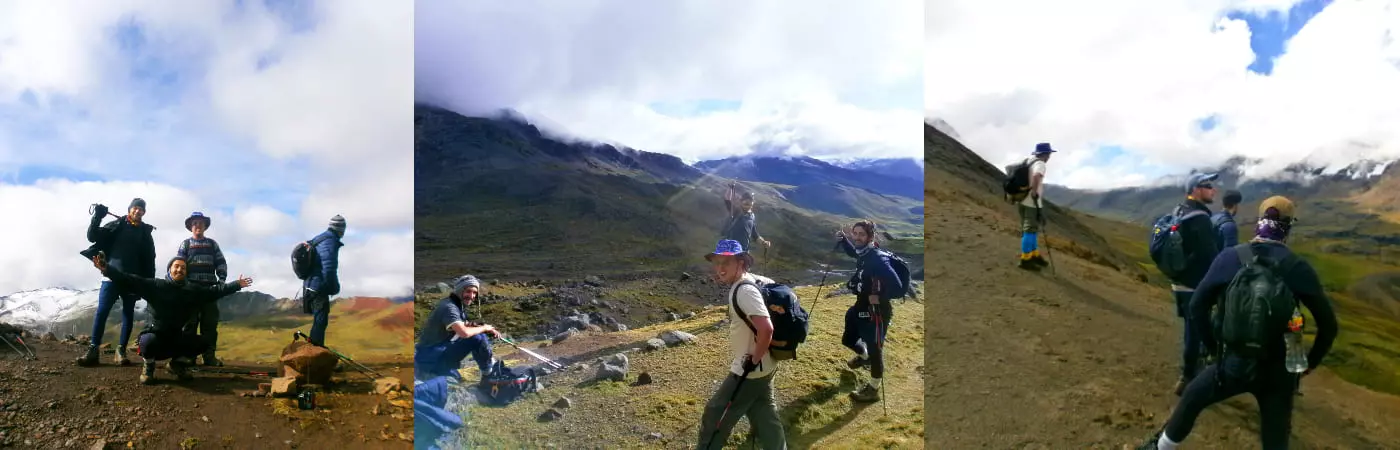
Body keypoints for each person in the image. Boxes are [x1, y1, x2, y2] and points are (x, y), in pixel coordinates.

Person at [1139, 196, 1338, 450]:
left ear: (1259, 220)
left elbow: (1197, 306)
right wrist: (1309, 364)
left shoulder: (1232, 257)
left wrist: (1213, 349)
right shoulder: (1297, 267)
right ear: (1289, 225)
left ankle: (1161, 447)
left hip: (1232, 363)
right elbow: (1329, 325)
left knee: (1193, 398)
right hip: (1278, 372)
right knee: (1275, 435)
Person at [91, 253, 252, 384]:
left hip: (175, 340)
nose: (180, 270)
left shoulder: (192, 291)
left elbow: (215, 291)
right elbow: (129, 279)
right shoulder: (155, 286)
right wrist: (107, 269)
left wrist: (237, 284)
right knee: (146, 342)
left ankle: (176, 365)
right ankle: (149, 366)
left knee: (204, 342)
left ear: (186, 272)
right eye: (176, 266)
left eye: (183, 268)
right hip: (155, 339)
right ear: (169, 270)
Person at [696, 240, 785, 450]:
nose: (720, 268)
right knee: (764, 412)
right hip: (767, 364)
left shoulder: (744, 291)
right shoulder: (753, 281)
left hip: (750, 368)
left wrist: (752, 360)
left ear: (741, 262)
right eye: (717, 262)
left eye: (726, 262)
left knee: (716, 412)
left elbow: (767, 329)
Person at [77, 198, 156, 367]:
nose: (138, 211)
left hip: (132, 279)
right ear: (130, 210)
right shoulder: (117, 224)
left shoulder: (145, 233)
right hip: (110, 275)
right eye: (135, 208)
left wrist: (149, 283)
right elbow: (92, 236)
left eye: (141, 209)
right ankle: (93, 350)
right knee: (102, 311)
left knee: (128, 314)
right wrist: (97, 217)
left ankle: (120, 351)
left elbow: (150, 259)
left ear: (144, 213)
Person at [836, 220, 903, 402]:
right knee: (848, 339)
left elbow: (897, 287)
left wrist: (880, 297)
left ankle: (873, 389)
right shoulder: (864, 253)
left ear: (870, 237)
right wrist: (844, 241)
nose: (857, 237)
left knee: (875, 349)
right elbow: (854, 252)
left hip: (877, 311)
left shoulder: (877, 258)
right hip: (860, 306)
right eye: (855, 233)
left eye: (861, 235)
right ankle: (863, 357)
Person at [1170, 173, 1224, 395]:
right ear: (1196, 189)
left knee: (1192, 327)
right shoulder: (1200, 218)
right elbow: (1210, 255)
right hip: (1195, 284)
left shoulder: (1179, 211)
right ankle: (1188, 376)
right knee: (1196, 329)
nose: (1214, 190)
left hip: (1180, 282)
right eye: (1208, 186)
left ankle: (1193, 369)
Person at [414, 275, 501, 382]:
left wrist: (484, 327)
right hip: (430, 358)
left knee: (477, 335)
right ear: (460, 290)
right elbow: (464, 333)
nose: (472, 296)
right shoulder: (450, 308)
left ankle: (486, 369)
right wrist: (484, 328)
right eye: (468, 291)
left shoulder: (454, 303)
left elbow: (462, 324)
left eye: (474, 293)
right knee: (478, 337)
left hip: (433, 354)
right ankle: (489, 374)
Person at [177, 212, 229, 367]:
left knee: (210, 325)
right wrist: (183, 284)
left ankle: (209, 357)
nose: (197, 226)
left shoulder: (212, 244)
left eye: (200, 223)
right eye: (194, 223)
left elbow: (221, 262)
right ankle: (189, 356)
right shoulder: (185, 244)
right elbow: (179, 264)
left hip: (209, 291)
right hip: (190, 291)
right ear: (190, 227)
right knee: (189, 325)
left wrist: (222, 280)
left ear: (205, 226)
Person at [302, 215, 345, 347]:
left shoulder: (319, 239)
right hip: (318, 286)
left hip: (310, 284)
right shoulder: (330, 241)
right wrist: (334, 287)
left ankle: (315, 351)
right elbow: (329, 267)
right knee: (320, 321)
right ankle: (316, 354)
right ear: (341, 229)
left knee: (319, 321)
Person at [1017, 143, 1056, 270]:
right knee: (1030, 230)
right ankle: (1026, 260)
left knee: (1030, 229)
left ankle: (1034, 254)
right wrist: (1034, 192)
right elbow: (1036, 176)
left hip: (1021, 200)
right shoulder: (1040, 164)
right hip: (1031, 202)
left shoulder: (1028, 161)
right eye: (1049, 154)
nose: (1049, 156)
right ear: (1045, 154)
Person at [721, 181, 772, 256]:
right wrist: (730, 187)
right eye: (746, 203)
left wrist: (764, 242)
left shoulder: (752, 217)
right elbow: (727, 200)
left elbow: (755, 235)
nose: (748, 206)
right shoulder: (736, 211)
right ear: (741, 202)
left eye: (750, 204)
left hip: (744, 252)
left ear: (752, 204)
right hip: (730, 251)